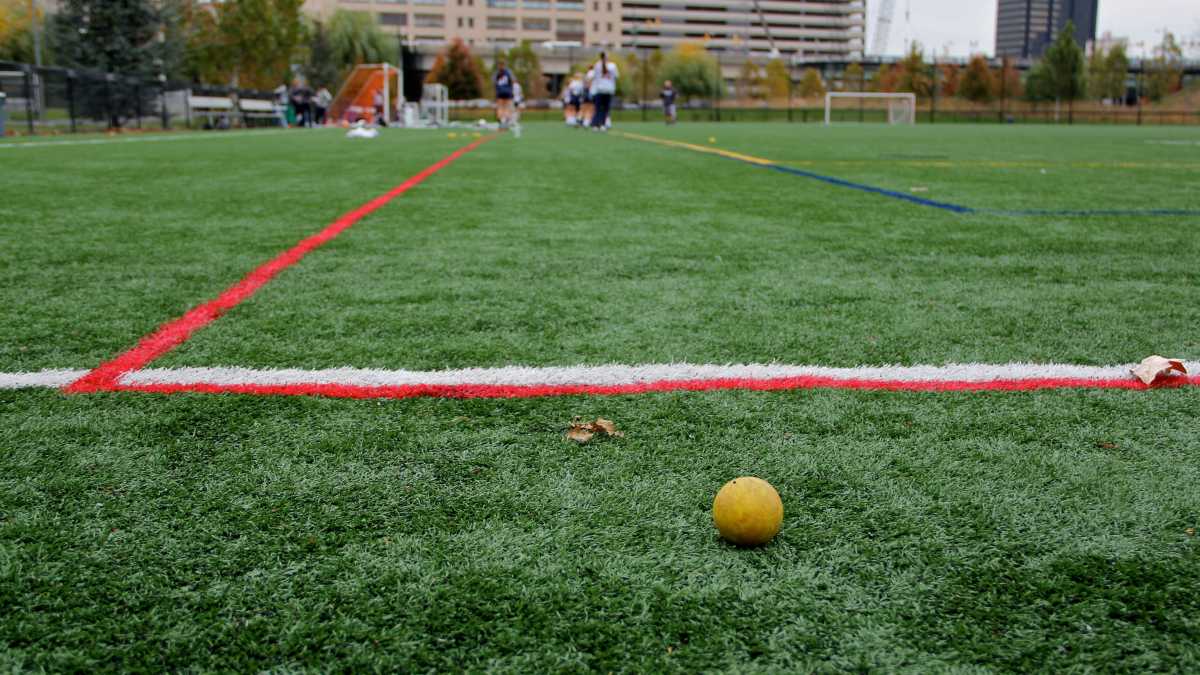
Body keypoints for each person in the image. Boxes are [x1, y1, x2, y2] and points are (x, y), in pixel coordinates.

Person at [589, 52, 618, 131]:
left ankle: (596, 124)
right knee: (605, 109)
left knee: (598, 108)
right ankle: (602, 124)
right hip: (608, 90)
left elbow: (594, 77)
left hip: (600, 89)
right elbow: (616, 77)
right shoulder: (612, 65)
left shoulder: (597, 65)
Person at [493, 58, 516, 127]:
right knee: (506, 107)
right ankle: (506, 120)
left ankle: (501, 121)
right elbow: (513, 80)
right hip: (507, 92)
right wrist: (511, 89)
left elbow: (494, 82)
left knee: (500, 107)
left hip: (500, 92)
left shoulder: (497, 73)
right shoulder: (508, 72)